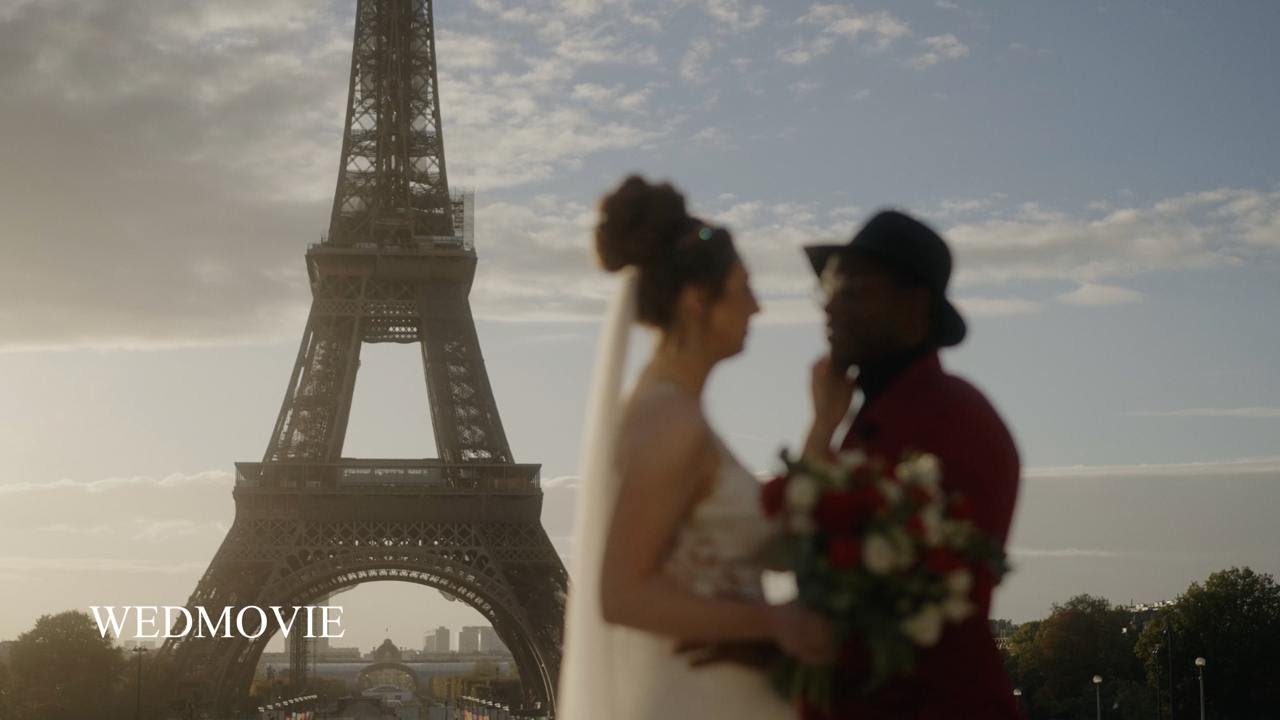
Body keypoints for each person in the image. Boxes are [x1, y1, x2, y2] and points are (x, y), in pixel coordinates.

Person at [557, 175, 834, 720]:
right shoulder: (670, 419)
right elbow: (621, 595)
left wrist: (823, 427)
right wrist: (778, 622)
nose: (757, 308)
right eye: (743, 286)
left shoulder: (667, 409)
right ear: (696, 301)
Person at [802, 209, 1022, 719]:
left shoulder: (955, 421)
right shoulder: (878, 413)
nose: (830, 308)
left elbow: (867, 608)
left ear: (914, 305)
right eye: (829, 290)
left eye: (853, 291)